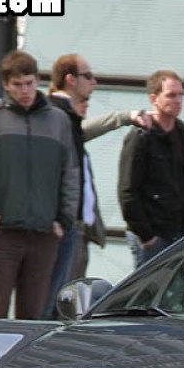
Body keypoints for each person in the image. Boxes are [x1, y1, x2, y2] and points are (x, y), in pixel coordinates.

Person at [0, 49, 78, 320]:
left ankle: (24, 364)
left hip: (44, 234)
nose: (24, 90)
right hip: (2, 232)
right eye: (17, 85)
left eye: (29, 83)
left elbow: (70, 172)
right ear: (5, 85)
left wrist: (64, 218)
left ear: (38, 80)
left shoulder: (58, 120)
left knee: (33, 314)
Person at [42, 53, 149, 317]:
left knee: (68, 304)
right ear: (70, 80)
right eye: (88, 76)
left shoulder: (67, 122)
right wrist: (125, 116)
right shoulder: (55, 117)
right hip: (63, 226)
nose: (95, 82)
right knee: (56, 305)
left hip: (77, 229)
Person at [119, 69, 184, 268]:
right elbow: (128, 191)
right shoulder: (140, 137)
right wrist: (147, 236)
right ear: (154, 98)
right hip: (152, 235)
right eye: (171, 95)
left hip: (179, 233)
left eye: (181, 94)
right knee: (148, 295)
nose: (178, 100)